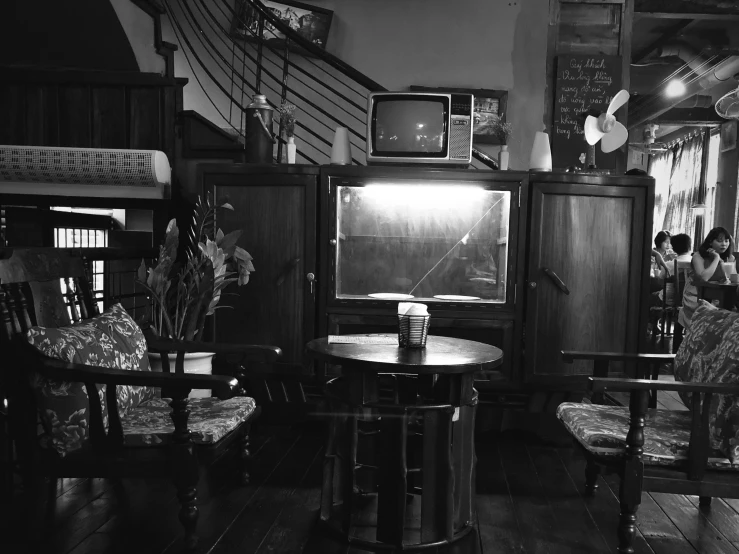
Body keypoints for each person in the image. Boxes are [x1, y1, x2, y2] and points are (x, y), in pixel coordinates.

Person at [679, 226, 736, 332]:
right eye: (719, 241)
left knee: (730, 309)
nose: (724, 244)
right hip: (696, 295)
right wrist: (716, 258)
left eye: (726, 241)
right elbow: (704, 278)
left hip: (717, 295)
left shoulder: (730, 258)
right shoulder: (698, 256)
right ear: (710, 242)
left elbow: (733, 278)